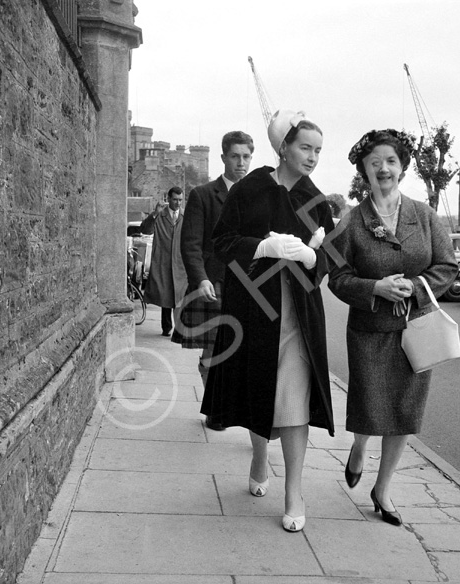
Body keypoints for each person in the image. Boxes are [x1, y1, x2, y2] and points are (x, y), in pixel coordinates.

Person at [200, 110, 335, 533]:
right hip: (254, 311)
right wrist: (263, 246)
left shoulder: (317, 201)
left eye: (317, 150)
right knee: (262, 389)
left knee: (294, 397)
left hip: (299, 316)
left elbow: (328, 259)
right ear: (284, 147)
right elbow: (221, 243)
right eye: (305, 148)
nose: (312, 157)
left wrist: (314, 257)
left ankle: (293, 492)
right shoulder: (249, 188)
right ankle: (260, 454)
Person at [328, 129, 457, 526]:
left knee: (404, 411)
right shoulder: (351, 222)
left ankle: (382, 490)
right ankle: (359, 446)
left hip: (415, 331)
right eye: (374, 163)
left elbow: (447, 266)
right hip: (369, 330)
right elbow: (337, 277)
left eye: (390, 161)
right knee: (369, 407)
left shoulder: (424, 214)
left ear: (401, 167)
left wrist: (416, 287)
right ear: (363, 171)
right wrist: (376, 288)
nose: (383, 169)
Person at [174, 131, 254, 431]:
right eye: (235, 156)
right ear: (223, 158)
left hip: (248, 286)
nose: (241, 162)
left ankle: (229, 405)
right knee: (214, 350)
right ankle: (215, 405)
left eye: (246, 156)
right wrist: (201, 279)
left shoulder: (257, 197)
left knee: (242, 350)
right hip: (215, 283)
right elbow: (191, 243)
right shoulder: (203, 195)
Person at [143, 187, 187, 336]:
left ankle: (179, 329)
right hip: (163, 262)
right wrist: (154, 214)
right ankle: (166, 328)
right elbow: (146, 230)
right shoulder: (160, 216)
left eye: (180, 200)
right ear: (168, 199)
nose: (178, 203)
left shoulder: (185, 216)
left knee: (180, 297)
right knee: (166, 295)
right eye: (175, 199)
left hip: (180, 263)